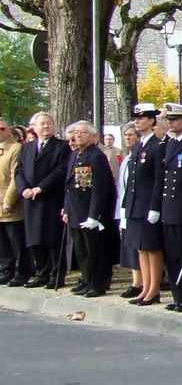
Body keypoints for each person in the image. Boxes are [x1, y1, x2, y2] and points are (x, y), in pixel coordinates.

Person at [152, 103, 182, 313]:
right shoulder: (169, 144)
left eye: (175, 120)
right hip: (169, 207)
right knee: (172, 254)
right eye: (170, 120)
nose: (170, 123)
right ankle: (178, 294)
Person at [15, 112, 71, 289]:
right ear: (34, 127)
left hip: (50, 198)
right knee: (34, 239)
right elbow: (19, 171)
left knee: (51, 239)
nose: (46, 126)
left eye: (49, 123)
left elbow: (61, 170)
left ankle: (56, 275)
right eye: (42, 124)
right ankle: (42, 273)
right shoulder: (27, 148)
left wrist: (41, 188)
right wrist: (23, 188)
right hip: (30, 200)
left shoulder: (61, 147)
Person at [62, 122, 116, 297]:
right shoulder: (75, 155)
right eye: (76, 133)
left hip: (90, 211)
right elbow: (70, 185)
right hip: (76, 209)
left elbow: (100, 188)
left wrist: (95, 214)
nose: (77, 136)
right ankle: (87, 279)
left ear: (93, 136)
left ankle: (98, 283)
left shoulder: (96, 156)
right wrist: (67, 208)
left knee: (95, 250)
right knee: (82, 250)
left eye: (82, 133)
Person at [122, 104, 164, 305]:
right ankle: (145, 287)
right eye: (137, 118)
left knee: (152, 248)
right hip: (135, 204)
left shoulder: (158, 145)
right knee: (140, 248)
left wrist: (155, 207)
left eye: (143, 118)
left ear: (152, 120)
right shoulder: (138, 146)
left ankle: (154, 290)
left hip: (148, 205)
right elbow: (132, 179)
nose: (138, 121)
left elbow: (158, 179)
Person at [0, 118, 33, 286]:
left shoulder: (16, 148)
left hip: (10, 203)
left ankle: (23, 271)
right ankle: (7, 270)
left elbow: (15, 177)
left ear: (8, 130)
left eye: (2, 128)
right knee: (3, 241)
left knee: (16, 240)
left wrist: (9, 200)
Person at [116, 124, 143, 299]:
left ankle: (140, 283)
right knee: (129, 247)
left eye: (131, 134)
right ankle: (135, 280)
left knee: (137, 247)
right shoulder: (127, 158)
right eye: (125, 135)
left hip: (137, 208)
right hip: (126, 207)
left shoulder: (141, 156)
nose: (128, 138)